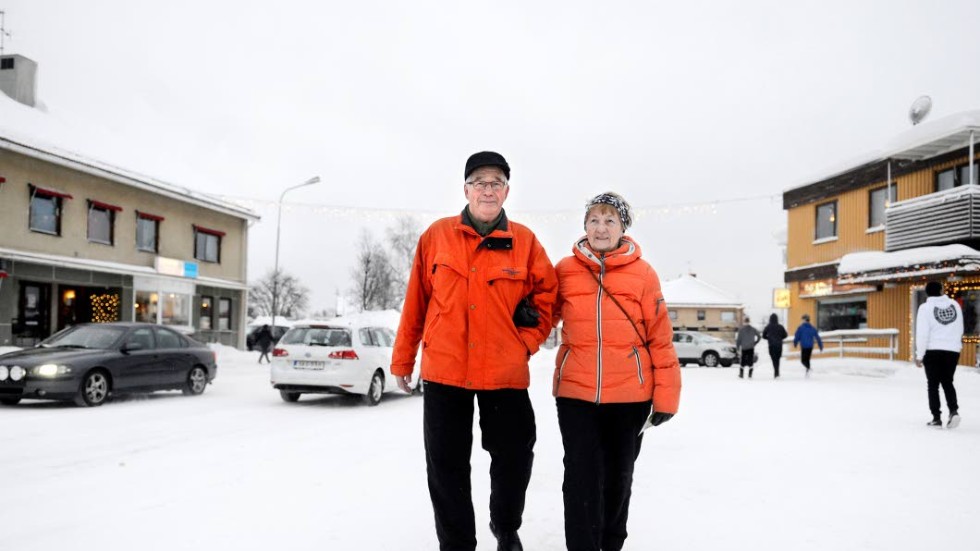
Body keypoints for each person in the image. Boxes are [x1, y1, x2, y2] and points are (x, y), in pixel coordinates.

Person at [391, 151, 557, 551]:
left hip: (504, 371)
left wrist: (525, 342)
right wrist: (403, 357)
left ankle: (506, 526)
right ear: (465, 189)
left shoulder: (526, 242)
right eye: (480, 181)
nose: (488, 189)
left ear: (506, 192)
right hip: (445, 370)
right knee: (446, 466)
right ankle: (457, 544)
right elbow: (416, 301)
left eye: (496, 182)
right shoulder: (437, 236)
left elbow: (549, 297)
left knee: (515, 455)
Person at [551, 192, 681, 551]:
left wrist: (666, 397)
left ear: (623, 227)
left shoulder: (643, 274)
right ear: (584, 226)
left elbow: (660, 338)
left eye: (610, 220)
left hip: (630, 397)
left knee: (617, 477)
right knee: (579, 477)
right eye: (594, 220)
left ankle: (610, 544)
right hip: (576, 393)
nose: (601, 227)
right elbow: (544, 316)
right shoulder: (565, 270)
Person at [915, 281, 964, 428]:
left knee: (933, 385)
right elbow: (960, 327)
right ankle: (954, 411)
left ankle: (936, 418)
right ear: (942, 290)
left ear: (927, 292)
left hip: (933, 350)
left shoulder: (925, 308)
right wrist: (956, 346)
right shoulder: (955, 305)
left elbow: (922, 333)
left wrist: (919, 355)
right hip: (952, 351)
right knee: (948, 381)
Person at [762, 313, 788, 378]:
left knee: (773, 358)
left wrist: (768, 338)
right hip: (779, 345)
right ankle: (777, 371)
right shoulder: (780, 326)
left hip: (771, 345)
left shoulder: (768, 327)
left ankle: (776, 371)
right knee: (778, 358)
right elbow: (785, 335)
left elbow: (763, 336)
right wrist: (780, 338)